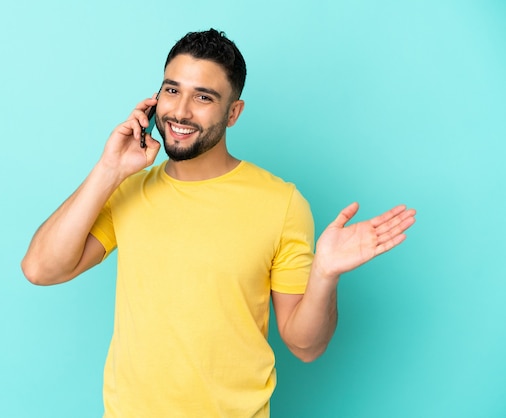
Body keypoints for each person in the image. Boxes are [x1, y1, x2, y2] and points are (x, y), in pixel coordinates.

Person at [21, 29, 416, 418]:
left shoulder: (282, 204)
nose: (180, 111)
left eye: (203, 97)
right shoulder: (127, 190)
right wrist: (109, 169)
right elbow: (40, 269)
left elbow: (305, 346)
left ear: (233, 112)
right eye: (171, 90)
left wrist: (325, 275)